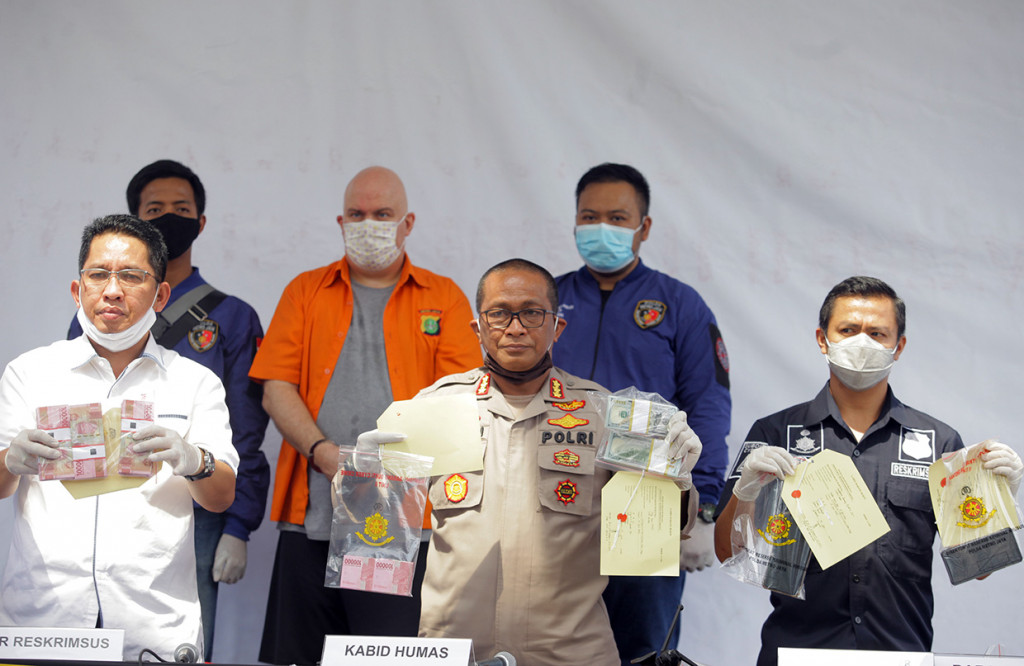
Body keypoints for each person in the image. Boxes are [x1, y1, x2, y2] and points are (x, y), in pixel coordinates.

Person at [358, 258, 702, 665]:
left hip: (570, 653)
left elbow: (651, 542)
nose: (516, 327)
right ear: (478, 327)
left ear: (557, 326)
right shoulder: (435, 408)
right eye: (500, 313)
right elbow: (370, 538)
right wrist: (363, 477)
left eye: (532, 313)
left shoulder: (605, 414)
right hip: (455, 651)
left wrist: (674, 475)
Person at [713, 276, 1024, 666]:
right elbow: (728, 553)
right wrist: (744, 494)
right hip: (796, 652)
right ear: (822, 339)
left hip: (901, 655)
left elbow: (978, 567)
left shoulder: (938, 442)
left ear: (899, 346)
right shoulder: (775, 434)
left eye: (878, 333)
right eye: (848, 330)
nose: (863, 343)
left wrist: (1002, 500)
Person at [251, 166, 483, 665]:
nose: (368, 224)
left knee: (386, 656)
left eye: (382, 214)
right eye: (357, 214)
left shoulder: (442, 297)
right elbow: (275, 389)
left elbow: (465, 399)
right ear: (340, 220)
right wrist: (323, 454)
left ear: (408, 222)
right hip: (312, 511)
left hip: (399, 514)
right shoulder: (305, 291)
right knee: (301, 657)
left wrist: (384, 472)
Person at [0, 214, 239, 660]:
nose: (112, 290)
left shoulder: (195, 382)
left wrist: (192, 460)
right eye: (98, 275)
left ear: (161, 294)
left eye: (131, 276)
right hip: (42, 622)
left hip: (153, 626)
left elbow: (221, 496)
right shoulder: (29, 372)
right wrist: (9, 461)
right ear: (78, 289)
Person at [67, 160, 270, 660]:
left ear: (201, 222)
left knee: (181, 644)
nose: (169, 218)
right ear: (135, 220)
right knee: (95, 641)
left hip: (195, 508)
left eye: (182, 209)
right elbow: (77, 408)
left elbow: (246, 430)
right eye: (154, 210)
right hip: (105, 503)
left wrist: (239, 524)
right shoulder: (99, 308)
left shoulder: (232, 316)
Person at [553, 162, 731, 664]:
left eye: (616, 217)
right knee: (550, 645)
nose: (600, 228)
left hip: (647, 502)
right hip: (557, 500)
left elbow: (709, 405)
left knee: (642, 652)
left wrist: (706, 506)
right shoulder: (549, 301)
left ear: (644, 227)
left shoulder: (680, 307)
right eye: (589, 217)